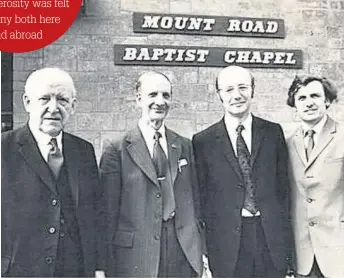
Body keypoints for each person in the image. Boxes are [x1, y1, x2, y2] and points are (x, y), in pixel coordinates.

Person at [98, 71, 204, 277]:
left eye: (166, 95)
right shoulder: (117, 148)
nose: (160, 101)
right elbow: (107, 213)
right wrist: (102, 265)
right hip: (135, 255)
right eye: (152, 95)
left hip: (181, 251)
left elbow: (196, 202)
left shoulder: (183, 145)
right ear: (139, 99)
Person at [192, 65, 293, 278]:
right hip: (227, 246)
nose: (236, 95)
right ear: (219, 95)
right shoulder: (203, 141)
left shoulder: (273, 132)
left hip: (271, 240)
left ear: (252, 90)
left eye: (243, 87)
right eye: (228, 90)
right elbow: (201, 198)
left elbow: (284, 189)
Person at [1, 68, 99, 277]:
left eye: (62, 100)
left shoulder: (83, 151)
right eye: (44, 98)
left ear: (73, 106)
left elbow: (93, 215)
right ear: (27, 102)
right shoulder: (3, 149)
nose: (53, 108)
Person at [286, 75, 344, 278]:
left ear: (327, 100)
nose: (309, 102)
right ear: (294, 105)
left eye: (315, 96)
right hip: (303, 256)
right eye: (301, 98)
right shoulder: (287, 143)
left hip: (338, 251)